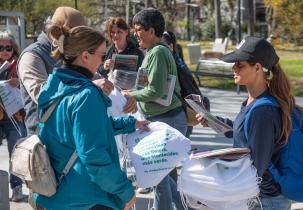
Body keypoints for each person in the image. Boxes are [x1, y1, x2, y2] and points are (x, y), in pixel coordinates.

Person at [34, 25, 150, 210]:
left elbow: (85, 129)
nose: (103, 61)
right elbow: (93, 155)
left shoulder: (53, 86)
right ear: (85, 56)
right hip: (86, 197)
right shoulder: (87, 94)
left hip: (55, 192)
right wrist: (125, 191)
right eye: (102, 55)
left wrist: (131, 123)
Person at [197, 36, 303, 210]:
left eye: (239, 65)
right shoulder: (255, 101)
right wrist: (215, 122)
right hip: (258, 197)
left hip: (263, 201)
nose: (233, 68)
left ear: (257, 67)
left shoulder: (262, 111)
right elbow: (246, 135)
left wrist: (218, 167)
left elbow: (256, 167)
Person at [123, 8, 189, 210]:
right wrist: (133, 91)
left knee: (157, 176)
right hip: (164, 118)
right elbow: (148, 86)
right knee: (162, 174)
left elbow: (155, 90)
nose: (135, 34)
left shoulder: (158, 52)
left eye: (138, 29)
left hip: (167, 118)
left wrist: (131, 95)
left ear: (151, 31)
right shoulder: (154, 51)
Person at [17, 6, 114, 135]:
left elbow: (94, 78)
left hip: (70, 137)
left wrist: (122, 96)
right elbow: (43, 96)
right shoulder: (32, 56)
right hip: (43, 142)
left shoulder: (70, 52)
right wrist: (90, 87)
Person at [162, 30, 210, 138]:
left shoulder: (176, 66)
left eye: (161, 45)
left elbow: (190, 89)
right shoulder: (176, 61)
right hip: (182, 113)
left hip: (183, 114)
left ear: (170, 46)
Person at [0, 31, 27, 202]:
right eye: (0, 47)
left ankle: (16, 189)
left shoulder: (20, 64)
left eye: (8, 48)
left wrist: (20, 83)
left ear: (14, 48)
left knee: (16, 154)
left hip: (15, 117)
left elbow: (32, 83)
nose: (4, 51)